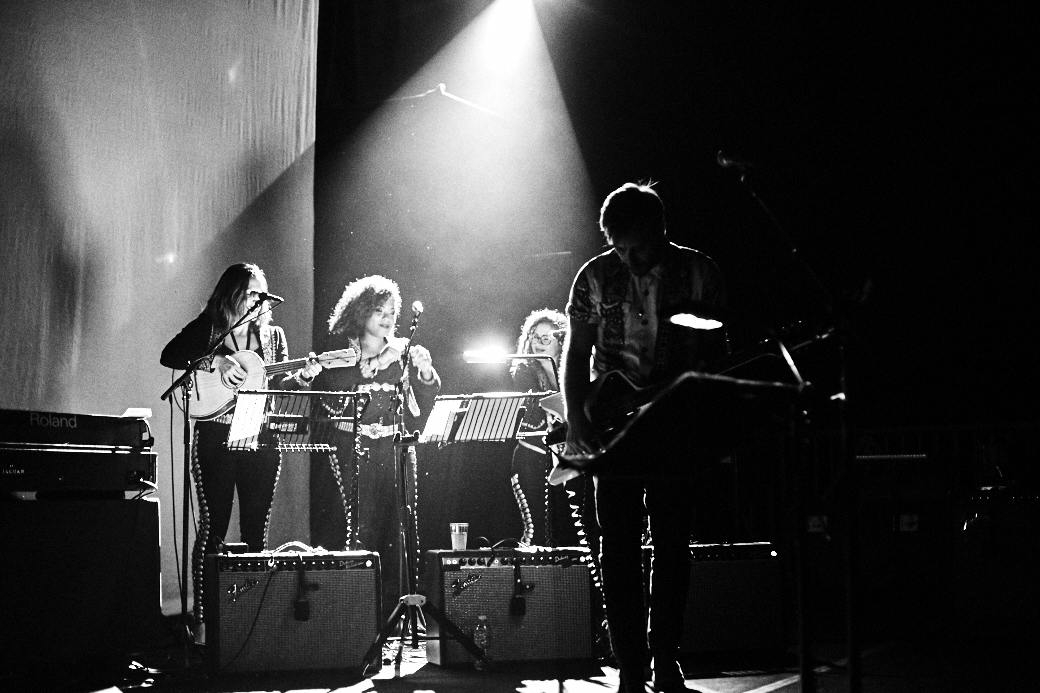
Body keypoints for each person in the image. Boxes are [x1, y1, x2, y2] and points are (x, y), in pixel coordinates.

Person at [562, 183, 727, 693]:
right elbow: (576, 354)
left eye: (635, 247)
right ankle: (631, 665)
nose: (627, 258)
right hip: (614, 425)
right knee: (618, 548)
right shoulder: (594, 276)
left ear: (659, 230)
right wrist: (578, 420)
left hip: (676, 425)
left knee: (673, 545)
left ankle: (666, 658)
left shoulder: (699, 272)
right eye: (617, 247)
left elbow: (716, 353)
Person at [160, 262, 322, 638]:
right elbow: (171, 354)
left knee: (255, 530)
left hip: (259, 435)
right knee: (213, 528)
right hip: (215, 434)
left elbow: (277, 387)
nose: (259, 300)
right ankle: (203, 621)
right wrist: (218, 360)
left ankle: (250, 621)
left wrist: (302, 376)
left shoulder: (273, 337)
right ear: (232, 294)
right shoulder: (210, 329)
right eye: (251, 292)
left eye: (262, 293)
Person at [309, 275, 440, 622]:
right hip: (354, 449)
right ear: (362, 312)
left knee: (400, 526)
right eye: (379, 311)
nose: (387, 318)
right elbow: (330, 391)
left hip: (396, 450)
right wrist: (367, 364)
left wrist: (426, 371)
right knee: (359, 527)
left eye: (392, 312)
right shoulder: (343, 351)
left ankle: (398, 613)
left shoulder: (402, 350)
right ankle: (357, 615)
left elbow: (425, 398)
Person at [509, 309, 584, 547]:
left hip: (569, 456)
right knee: (536, 528)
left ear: (561, 342)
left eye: (546, 338)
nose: (538, 343)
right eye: (534, 337)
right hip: (533, 455)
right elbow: (545, 404)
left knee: (572, 527)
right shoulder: (524, 370)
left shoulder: (574, 370)